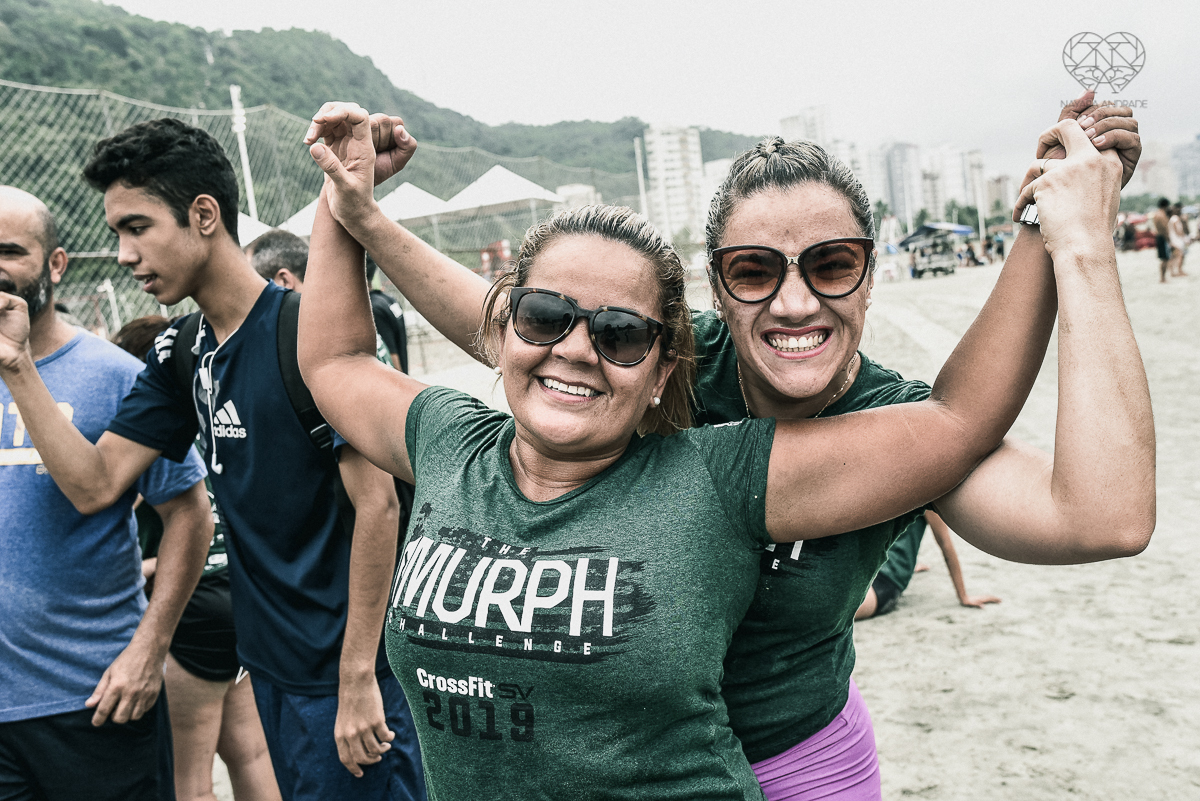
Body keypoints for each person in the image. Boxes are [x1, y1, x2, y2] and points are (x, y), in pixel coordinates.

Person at [294, 100, 1151, 799]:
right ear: (710, 289)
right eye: (753, 272)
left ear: (871, 269)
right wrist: (357, 210)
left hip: (792, 759)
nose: (793, 303)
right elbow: (519, 325)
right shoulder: (649, 358)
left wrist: (1067, 236)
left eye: (832, 264)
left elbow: (1097, 514)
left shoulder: (890, 428)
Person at [0, 120, 425, 801]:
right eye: (116, 232)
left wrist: (357, 680)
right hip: (270, 669)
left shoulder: (307, 330)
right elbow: (95, 484)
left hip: (345, 678)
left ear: (203, 215)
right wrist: (18, 365)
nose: (122, 254)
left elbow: (379, 505)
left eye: (137, 227)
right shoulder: (181, 351)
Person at [0, 186, 212, 801]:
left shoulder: (114, 375)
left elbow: (190, 515)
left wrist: (151, 648)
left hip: (96, 697)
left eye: (11, 251)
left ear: (56, 264)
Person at [112, 315, 282, 801]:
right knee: (251, 755)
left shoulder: (144, 443)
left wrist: (144, 571)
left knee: (190, 780)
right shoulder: (211, 423)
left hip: (193, 609)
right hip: (239, 597)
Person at [855, 510, 999, 620]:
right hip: (868, 569)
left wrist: (963, 596)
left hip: (884, 579)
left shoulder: (922, 496)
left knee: (837, 614)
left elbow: (945, 545)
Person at [366, 256, 409, 374]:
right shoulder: (389, 299)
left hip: (397, 377)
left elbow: (390, 352)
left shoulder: (372, 308)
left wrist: (401, 384)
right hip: (404, 372)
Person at [1153, 197, 1172, 282]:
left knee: (1164, 258)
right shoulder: (1162, 215)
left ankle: (1162, 277)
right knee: (1165, 258)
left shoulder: (1156, 214)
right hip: (1162, 237)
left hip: (1159, 236)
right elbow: (1165, 229)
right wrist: (1168, 239)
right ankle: (1163, 278)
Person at [1168, 203, 1189, 277]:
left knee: (1173, 256)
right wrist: (1184, 238)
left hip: (1173, 239)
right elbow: (1178, 231)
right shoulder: (1175, 218)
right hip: (1177, 240)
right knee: (1180, 255)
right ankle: (1179, 270)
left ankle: (1173, 272)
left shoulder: (1172, 218)